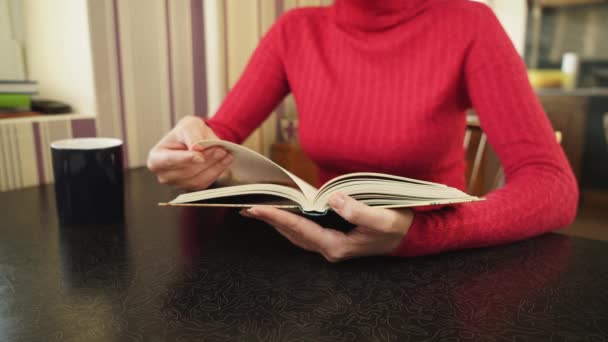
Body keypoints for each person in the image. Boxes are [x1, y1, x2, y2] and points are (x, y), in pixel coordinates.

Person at [147, 0, 578, 262]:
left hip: (438, 265)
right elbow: (216, 136)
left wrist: (420, 234)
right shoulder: (294, 30)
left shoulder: (471, 25)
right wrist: (188, 148)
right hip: (320, 247)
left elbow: (553, 185)